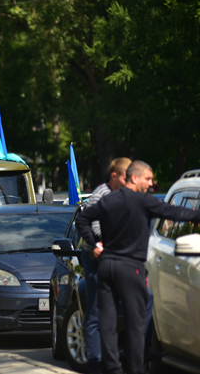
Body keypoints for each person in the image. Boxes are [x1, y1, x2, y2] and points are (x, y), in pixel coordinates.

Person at [76, 161, 200, 374]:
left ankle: (113, 369)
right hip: (130, 268)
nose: (151, 184)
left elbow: (83, 219)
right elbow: (173, 212)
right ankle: (135, 370)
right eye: (148, 179)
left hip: (106, 267)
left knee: (107, 322)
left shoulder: (108, 200)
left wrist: (95, 244)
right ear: (134, 178)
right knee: (136, 324)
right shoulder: (143, 201)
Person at [81, 157, 131, 374]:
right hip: (96, 256)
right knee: (96, 310)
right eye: (125, 177)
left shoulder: (127, 194)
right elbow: (91, 222)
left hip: (118, 256)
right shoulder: (101, 193)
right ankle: (95, 362)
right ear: (114, 176)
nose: (129, 181)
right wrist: (103, 243)